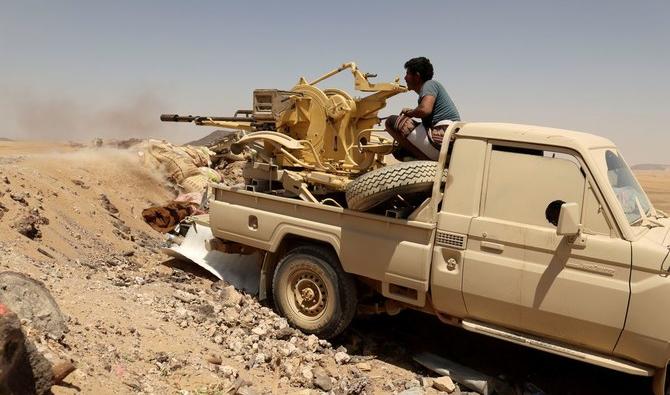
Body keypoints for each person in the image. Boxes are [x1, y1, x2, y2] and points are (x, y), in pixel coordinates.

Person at [385, 57, 460, 160]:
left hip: (441, 137)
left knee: (391, 121)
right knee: (399, 151)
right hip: (446, 141)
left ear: (417, 76)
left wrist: (410, 113)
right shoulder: (431, 88)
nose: (405, 78)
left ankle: (426, 161)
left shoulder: (429, 84)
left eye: (407, 74)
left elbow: (424, 110)